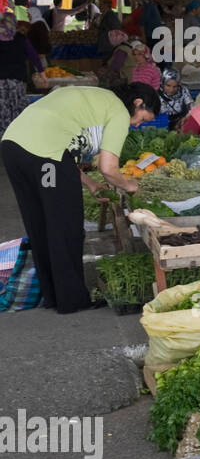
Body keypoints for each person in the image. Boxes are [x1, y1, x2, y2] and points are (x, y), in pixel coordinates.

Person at [2, 83, 160, 313]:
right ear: (138, 103)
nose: (137, 125)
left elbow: (62, 148)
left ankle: (52, 295)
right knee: (65, 226)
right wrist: (130, 186)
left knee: (39, 224)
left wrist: (91, 183)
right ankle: (71, 300)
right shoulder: (118, 110)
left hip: (14, 148)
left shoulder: (99, 98)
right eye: (142, 119)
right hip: (45, 158)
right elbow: (108, 167)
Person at [0, 12, 44, 136]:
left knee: (3, 109)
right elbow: (34, 56)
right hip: (17, 80)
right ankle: (16, 134)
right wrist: (42, 73)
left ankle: (4, 135)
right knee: (16, 106)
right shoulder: (20, 38)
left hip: (1, 81)